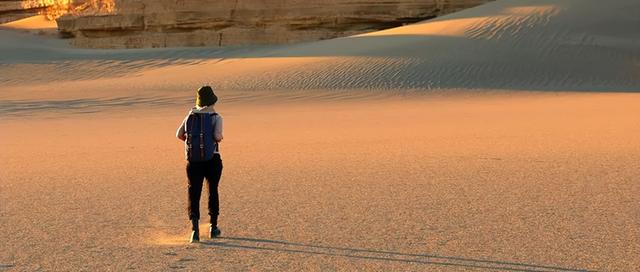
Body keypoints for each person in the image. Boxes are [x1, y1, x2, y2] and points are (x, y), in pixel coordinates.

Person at [176, 86, 224, 243]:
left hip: (193, 161)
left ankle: (195, 230)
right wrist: (217, 139)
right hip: (212, 160)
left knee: (194, 192)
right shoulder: (216, 117)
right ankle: (213, 227)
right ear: (212, 101)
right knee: (213, 191)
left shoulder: (190, 115)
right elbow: (217, 136)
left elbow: (178, 134)